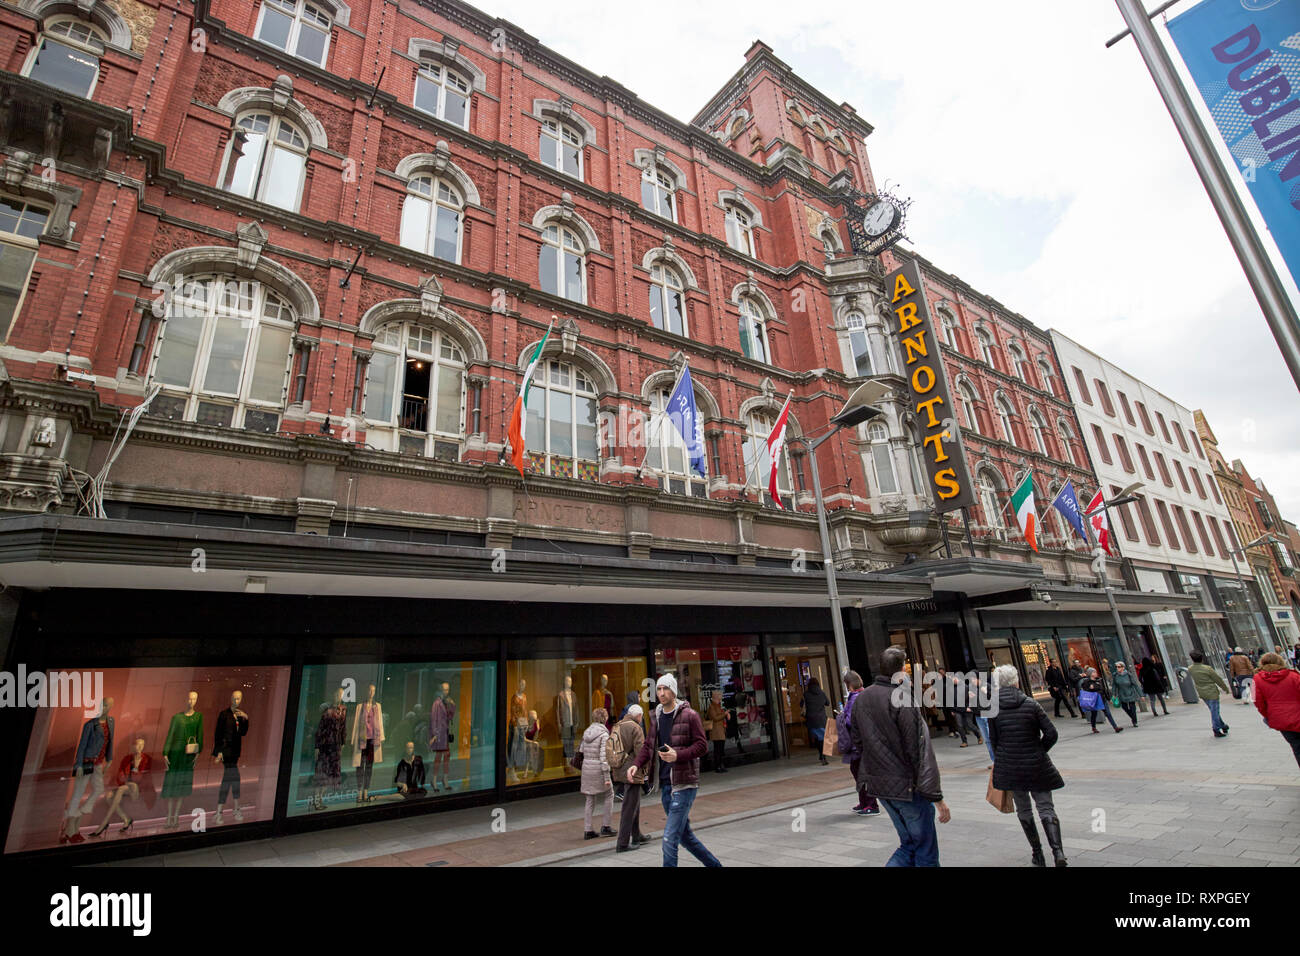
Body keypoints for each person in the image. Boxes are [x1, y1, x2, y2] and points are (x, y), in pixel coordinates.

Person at [848, 646, 951, 867]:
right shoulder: (902, 698)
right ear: (901, 670)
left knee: (909, 844)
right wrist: (936, 796)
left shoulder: (862, 699)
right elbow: (917, 750)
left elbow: (857, 741)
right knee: (924, 849)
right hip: (907, 787)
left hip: (880, 784)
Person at [627, 673, 721, 867]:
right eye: (659, 689)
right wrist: (636, 764)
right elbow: (648, 745)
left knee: (669, 840)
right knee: (685, 837)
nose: (661, 693)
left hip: (684, 784)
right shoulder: (657, 716)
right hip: (666, 786)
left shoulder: (690, 715)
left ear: (673, 691)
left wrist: (678, 755)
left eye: (665, 689)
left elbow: (702, 746)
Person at [988, 664, 1067, 867]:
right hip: (1036, 764)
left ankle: (1037, 853)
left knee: (1024, 809)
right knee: (1046, 807)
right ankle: (1058, 852)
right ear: (1016, 681)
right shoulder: (1031, 704)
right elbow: (1052, 734)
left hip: (1012, 767)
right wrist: (1039, 750)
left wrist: (1003, 758)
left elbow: (994, 741)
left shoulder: (994, 709)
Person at [838, 670, 880, 816]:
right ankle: (864, 802)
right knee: (858, 771)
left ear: (849, 684)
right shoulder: (862, 695)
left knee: (861, 773)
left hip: (858, 743)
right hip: (861, 742)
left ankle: (871, 804)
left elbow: (851, 720)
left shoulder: (856, 698)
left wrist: (842, 717)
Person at [611, 704, 651, 851]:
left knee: (634, 803)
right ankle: (622, 843)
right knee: (629, 807)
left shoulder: (618, 725)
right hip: (633, 770)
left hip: (620, 768)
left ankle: (637, 834)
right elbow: (642, 751)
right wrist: (645, 769)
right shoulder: (636, 728)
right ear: (639, 716)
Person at [1252, 653, 1300, 768]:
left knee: (1297, 747)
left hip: (1281, 720)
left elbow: (1256, 701)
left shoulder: (1256, 679)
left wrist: (1269, 715)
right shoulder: (1294, 676)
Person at [579, 707, 614, 840]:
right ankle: (606, 826)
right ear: (604, 719)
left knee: (589, 799)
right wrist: (606, 776)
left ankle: (588, 829)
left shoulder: (586, 732)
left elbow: (582, 751)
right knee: (609, 794)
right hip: (598, 769)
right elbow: (604, 757)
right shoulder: (604, 735)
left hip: (586, 768)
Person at [1188, 650, 1231, 738]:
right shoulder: (1207, 668)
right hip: (1211, 692)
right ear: (1201, 659)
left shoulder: (1190, 668)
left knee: (1213, 710)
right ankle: (1216, 729)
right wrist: (1225, 688)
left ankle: (1223, 725)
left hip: (1202, 692)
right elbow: (1217, 679)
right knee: (1214, 711)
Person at [1079, 667, 1123, 734]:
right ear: (1090, 674)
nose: (1095, 673)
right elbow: (1086, 692)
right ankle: (1093, 727)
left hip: (1102, 699)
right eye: (1094, 672)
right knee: (1094, 714)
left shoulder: (1099, 680)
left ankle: (1115, 727)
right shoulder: (1086, 682)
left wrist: (1109, 698)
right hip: (1094, 701)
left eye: (1095, 672)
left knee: (1108, 713)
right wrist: (1090, 688)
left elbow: (1103, 690)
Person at [802, 677, 832, 765]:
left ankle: (821, 755)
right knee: (821, 738)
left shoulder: (806, 694)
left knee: (818, 738)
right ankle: (823, 756)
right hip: (821, 719)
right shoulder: (821, 693)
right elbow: (828, 703)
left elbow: (801, 704)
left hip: (811, 720)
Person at [1112, 661, 1142, 728]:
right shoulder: (1115, 675)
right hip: (1121, 693)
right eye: (1116, 667)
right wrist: (1113, 694)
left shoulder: (1128, 674)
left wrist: (1141, 695)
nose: (1117, 668)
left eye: (1119, 667)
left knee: (1132, 707)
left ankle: (1135, 721)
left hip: (1130, 692)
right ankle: (1133, 717)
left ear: (1123, 667)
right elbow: (1114, 685)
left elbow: (1135, 684)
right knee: (1124, 707)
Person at [705, 694, 728, 773]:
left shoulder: (718, 706)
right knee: (718, 750)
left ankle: (720, 765)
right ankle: (718, 766)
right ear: (714, 699)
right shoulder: (712, 707)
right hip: (716, 731)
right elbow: (715, 718)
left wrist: (725, 714)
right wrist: (724, 714)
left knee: (720, 750)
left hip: (720, 730)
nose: (720, 700)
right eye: (718, 699)